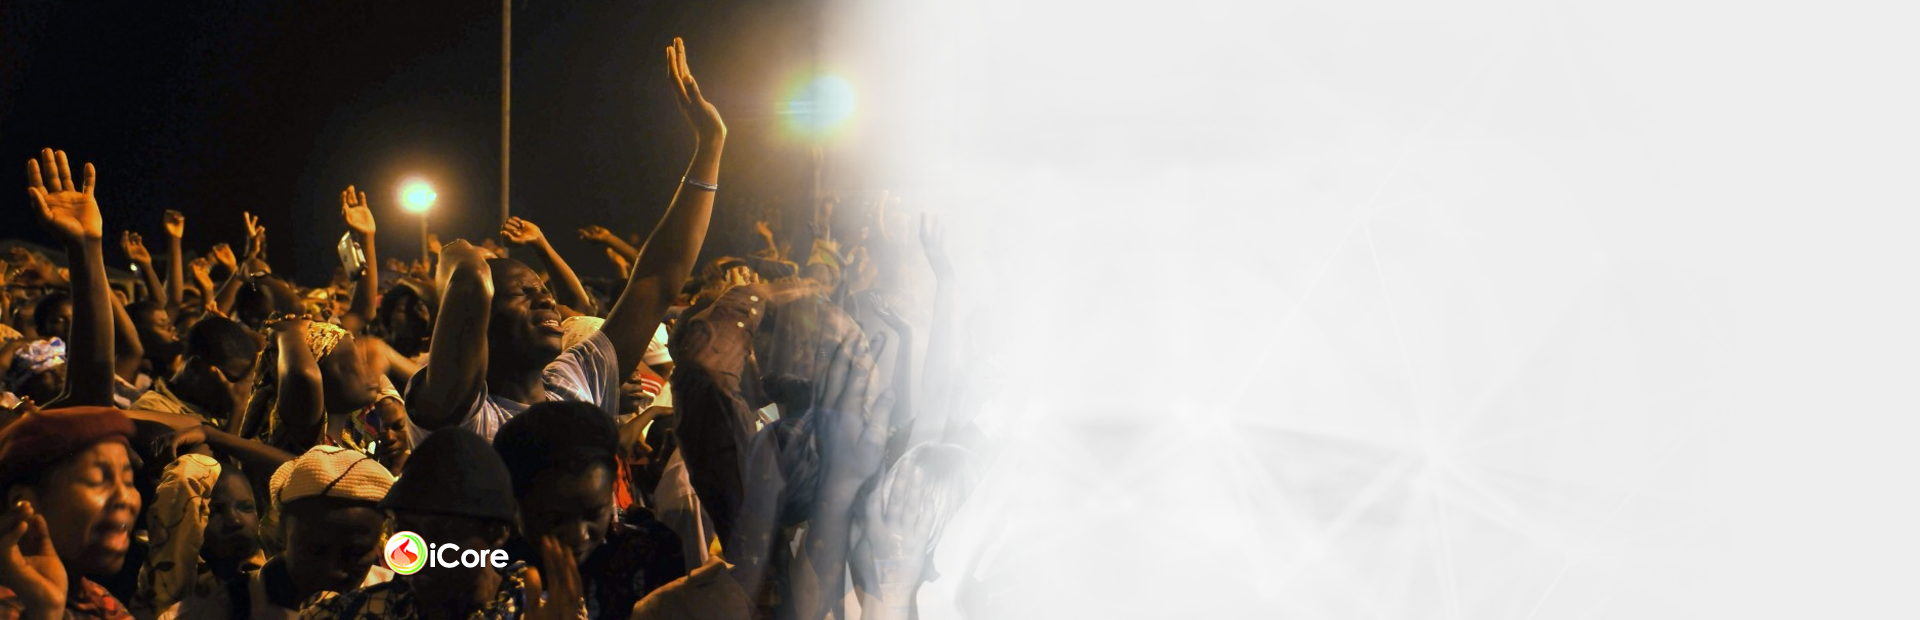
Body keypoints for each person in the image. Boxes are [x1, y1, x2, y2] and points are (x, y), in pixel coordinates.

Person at [405, 36, 726, 442]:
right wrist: (458, 251)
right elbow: (469, 280)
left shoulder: (575, 383)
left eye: (541, 290)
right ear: (481, 317)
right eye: (521, 293)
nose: (545, 300)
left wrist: (710, 145)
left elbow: (657, 279)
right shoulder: (459, 412)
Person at [304, 428, 581, 619]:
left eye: (440, 533)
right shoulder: (344, 614)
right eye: (405, 529)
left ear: (496, 534)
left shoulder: (543, 614)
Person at [492, 401, 685, 619]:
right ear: (516, 505)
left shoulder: (650, 556)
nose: (579, 536)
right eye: (556, 519)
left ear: (611, 491)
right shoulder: (487, 574)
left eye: (594, 514)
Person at [0, 406, 142, 620]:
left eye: (129, 481)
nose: (125, 498)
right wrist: (45, 612)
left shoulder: (97, 599)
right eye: (97, 479)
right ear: (22, 502)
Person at [253, 445, 397, 617]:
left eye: (354, 554)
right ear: (283, 533)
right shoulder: (233, 604)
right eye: (316, 550)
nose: (333, 571)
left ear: (378, 542)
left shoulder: (398, 600)